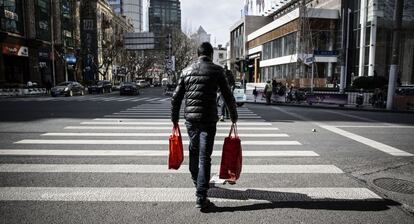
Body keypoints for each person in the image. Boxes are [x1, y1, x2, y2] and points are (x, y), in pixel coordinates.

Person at [171, 42, 238, 209]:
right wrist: (234, 116)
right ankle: (201, 196)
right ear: (211, 54)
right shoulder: (217, 70)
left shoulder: (186, 71)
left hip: (191, 120)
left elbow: (176, 97)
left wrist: (174, 119)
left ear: (197, 54)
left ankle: (197, 181)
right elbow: (227, 95)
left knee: (194, 151)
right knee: (204, 156)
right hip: (208, 119)